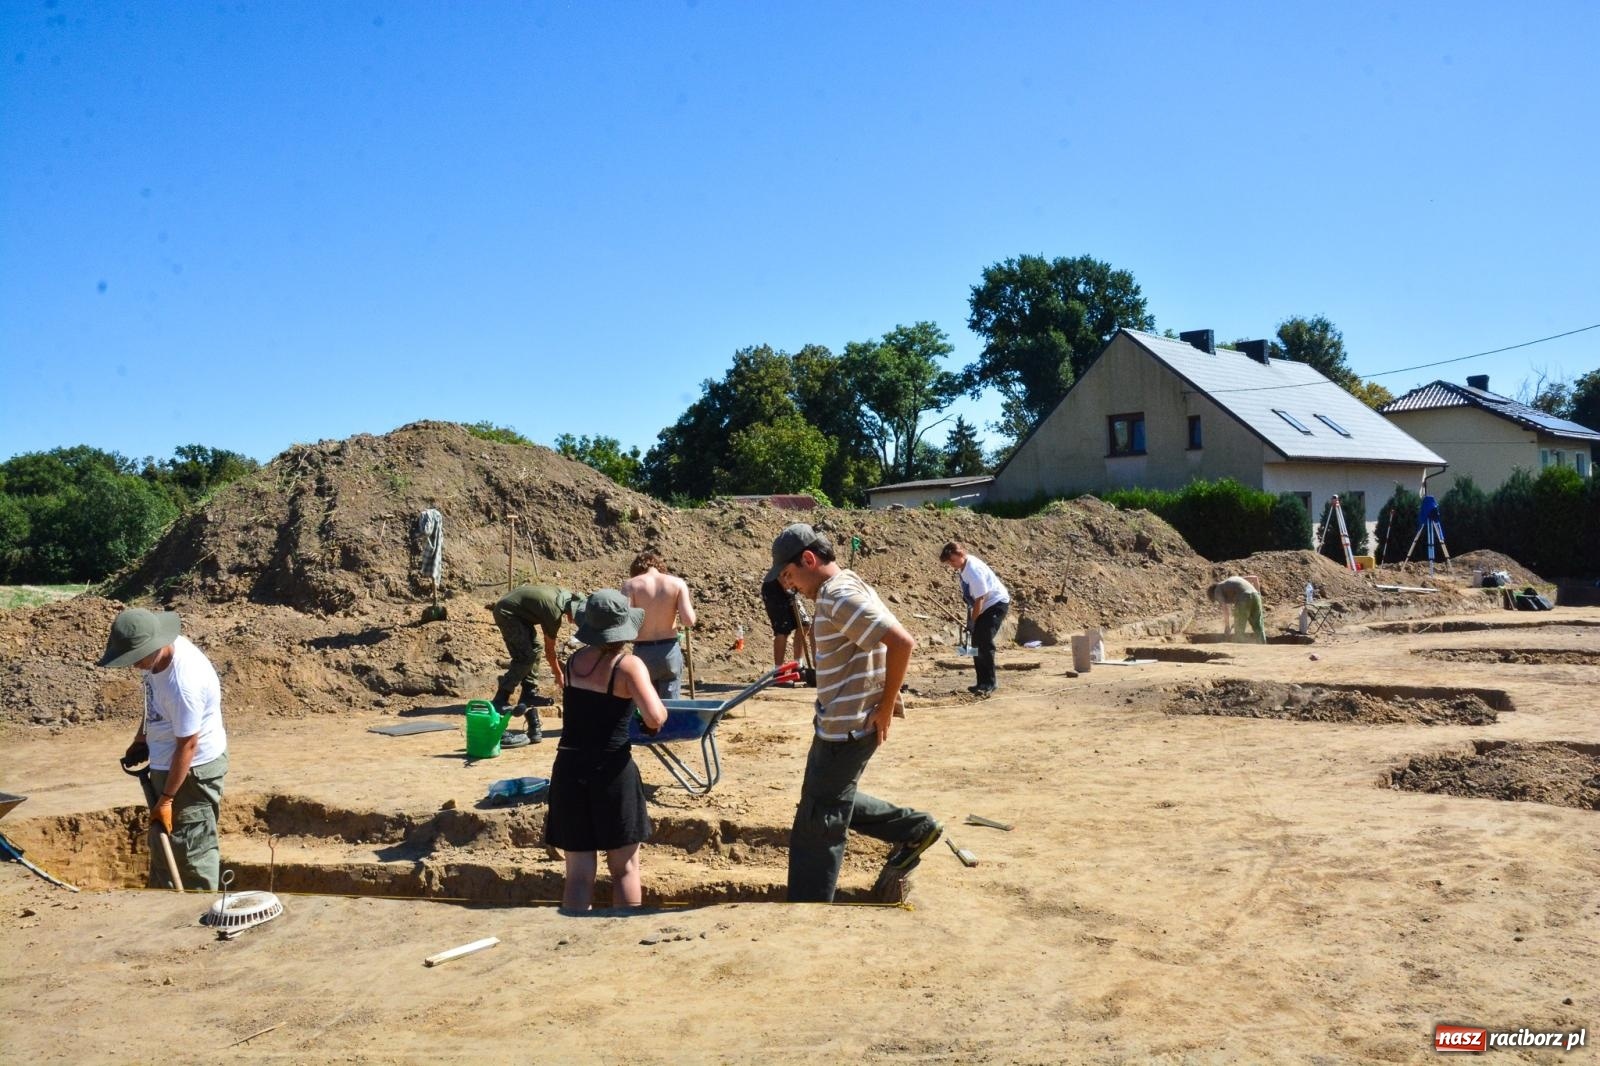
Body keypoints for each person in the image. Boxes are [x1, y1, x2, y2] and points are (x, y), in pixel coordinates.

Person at [769, 523, 943, 903]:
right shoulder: (845, 586)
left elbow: (901, 643)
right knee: (825, 796)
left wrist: (884, 707)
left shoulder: (837, 596)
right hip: (838, 722)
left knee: (820, 818)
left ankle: (808, 911)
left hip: (847, 729)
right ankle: (916, 828)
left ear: (808, 559)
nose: (789, 585)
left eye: (789, 575)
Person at [544, 589, 669, 912]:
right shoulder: (628, 666)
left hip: (569, 768)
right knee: (624, 868)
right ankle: (623, 941)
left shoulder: (573, 661)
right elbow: (654, 716)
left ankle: (572, 940)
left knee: (578, 875)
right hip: (610, 770)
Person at [98, 608, 229, 890]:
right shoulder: (157, 659)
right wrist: (142, 738)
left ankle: (197, 912)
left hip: (191, 773)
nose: (134, 665)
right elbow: (154, 701)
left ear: (155, 645)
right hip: (168, 764)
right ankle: (162, 908)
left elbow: (188, 744)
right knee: (164, 843)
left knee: (192, 850)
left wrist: (167, 798)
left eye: (136, 658)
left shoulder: (183, 683)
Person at [490, 584, 585, 743]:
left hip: (519, 614)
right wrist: (559, 675)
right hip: (507, 613)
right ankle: (501, 698)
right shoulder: (553, 613)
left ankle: (529, 693)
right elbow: (550, 651)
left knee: (536, 648)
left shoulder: (564, 595)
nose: (576, 622)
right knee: (525, 657)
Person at [620, 549, 697, 700]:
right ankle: (669, 724)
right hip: (669, 651)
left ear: (636, 570)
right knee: (670, 706)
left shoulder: (630, 585)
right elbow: (688, 620)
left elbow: (625, 623)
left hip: (643, 652)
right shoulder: (677, 583)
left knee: (646, 704)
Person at [939, 540, 1012, 697]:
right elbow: (972, 600)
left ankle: (990, 683)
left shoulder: (973, 569)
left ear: (961, 554)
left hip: (995, 604)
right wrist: (971, 620)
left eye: (952, 560)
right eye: (949, 562)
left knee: (984, 642)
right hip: (983, 606)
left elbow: (981, 598)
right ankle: (981, 682)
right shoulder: (963, 567)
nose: (951, 564)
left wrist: (973, 622)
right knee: (976, 644)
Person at [761, 576, 810, 682]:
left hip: (790, 587)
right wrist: (787, 586)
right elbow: (780, 569)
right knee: (782, 629)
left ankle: (797, 666)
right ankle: (778, 672)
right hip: (774, 587)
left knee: (804, 624)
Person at [1210, 576, 1266, 643]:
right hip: (1256, 596)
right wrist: (1258, 596)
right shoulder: (1234, 580)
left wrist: (1227, 627)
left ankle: (1239, 648)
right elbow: (1255, 578)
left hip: (1243, 598)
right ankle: (1263, 644)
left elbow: (1225, 608)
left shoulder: (1217, 590)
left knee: (1239, 628)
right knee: (1259, 626)